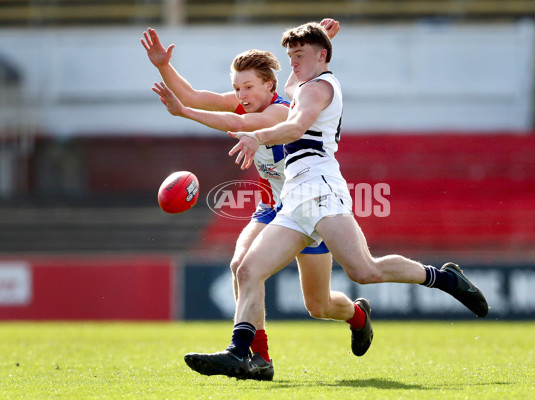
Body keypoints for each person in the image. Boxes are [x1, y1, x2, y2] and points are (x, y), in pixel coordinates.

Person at [184, 21, 489, 379]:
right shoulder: (300, 82)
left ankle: (444, 278)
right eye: (290, 55)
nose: (292, 62)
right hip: (295, 195)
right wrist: (318, 39)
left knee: (364, 270)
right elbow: (293, 83)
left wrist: (257, 135)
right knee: (249, 270)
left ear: (321, 56)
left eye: (299, 55)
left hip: (320, 186)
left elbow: (296, 127)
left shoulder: (320, 87)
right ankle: (241, 354)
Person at [142, 20, 372, 381]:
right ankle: (258, 356)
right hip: (271, 209)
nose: (241, 95)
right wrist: (162, 65)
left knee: (319, 304)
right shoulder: (245, 104)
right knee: (241, 267)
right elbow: (192, 95)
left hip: (308, 207)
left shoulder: (281, 111)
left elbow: (236, 124)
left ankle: (358, 315)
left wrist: (186, 114)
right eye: (237, 88)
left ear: (270, 85)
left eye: (248, 86)